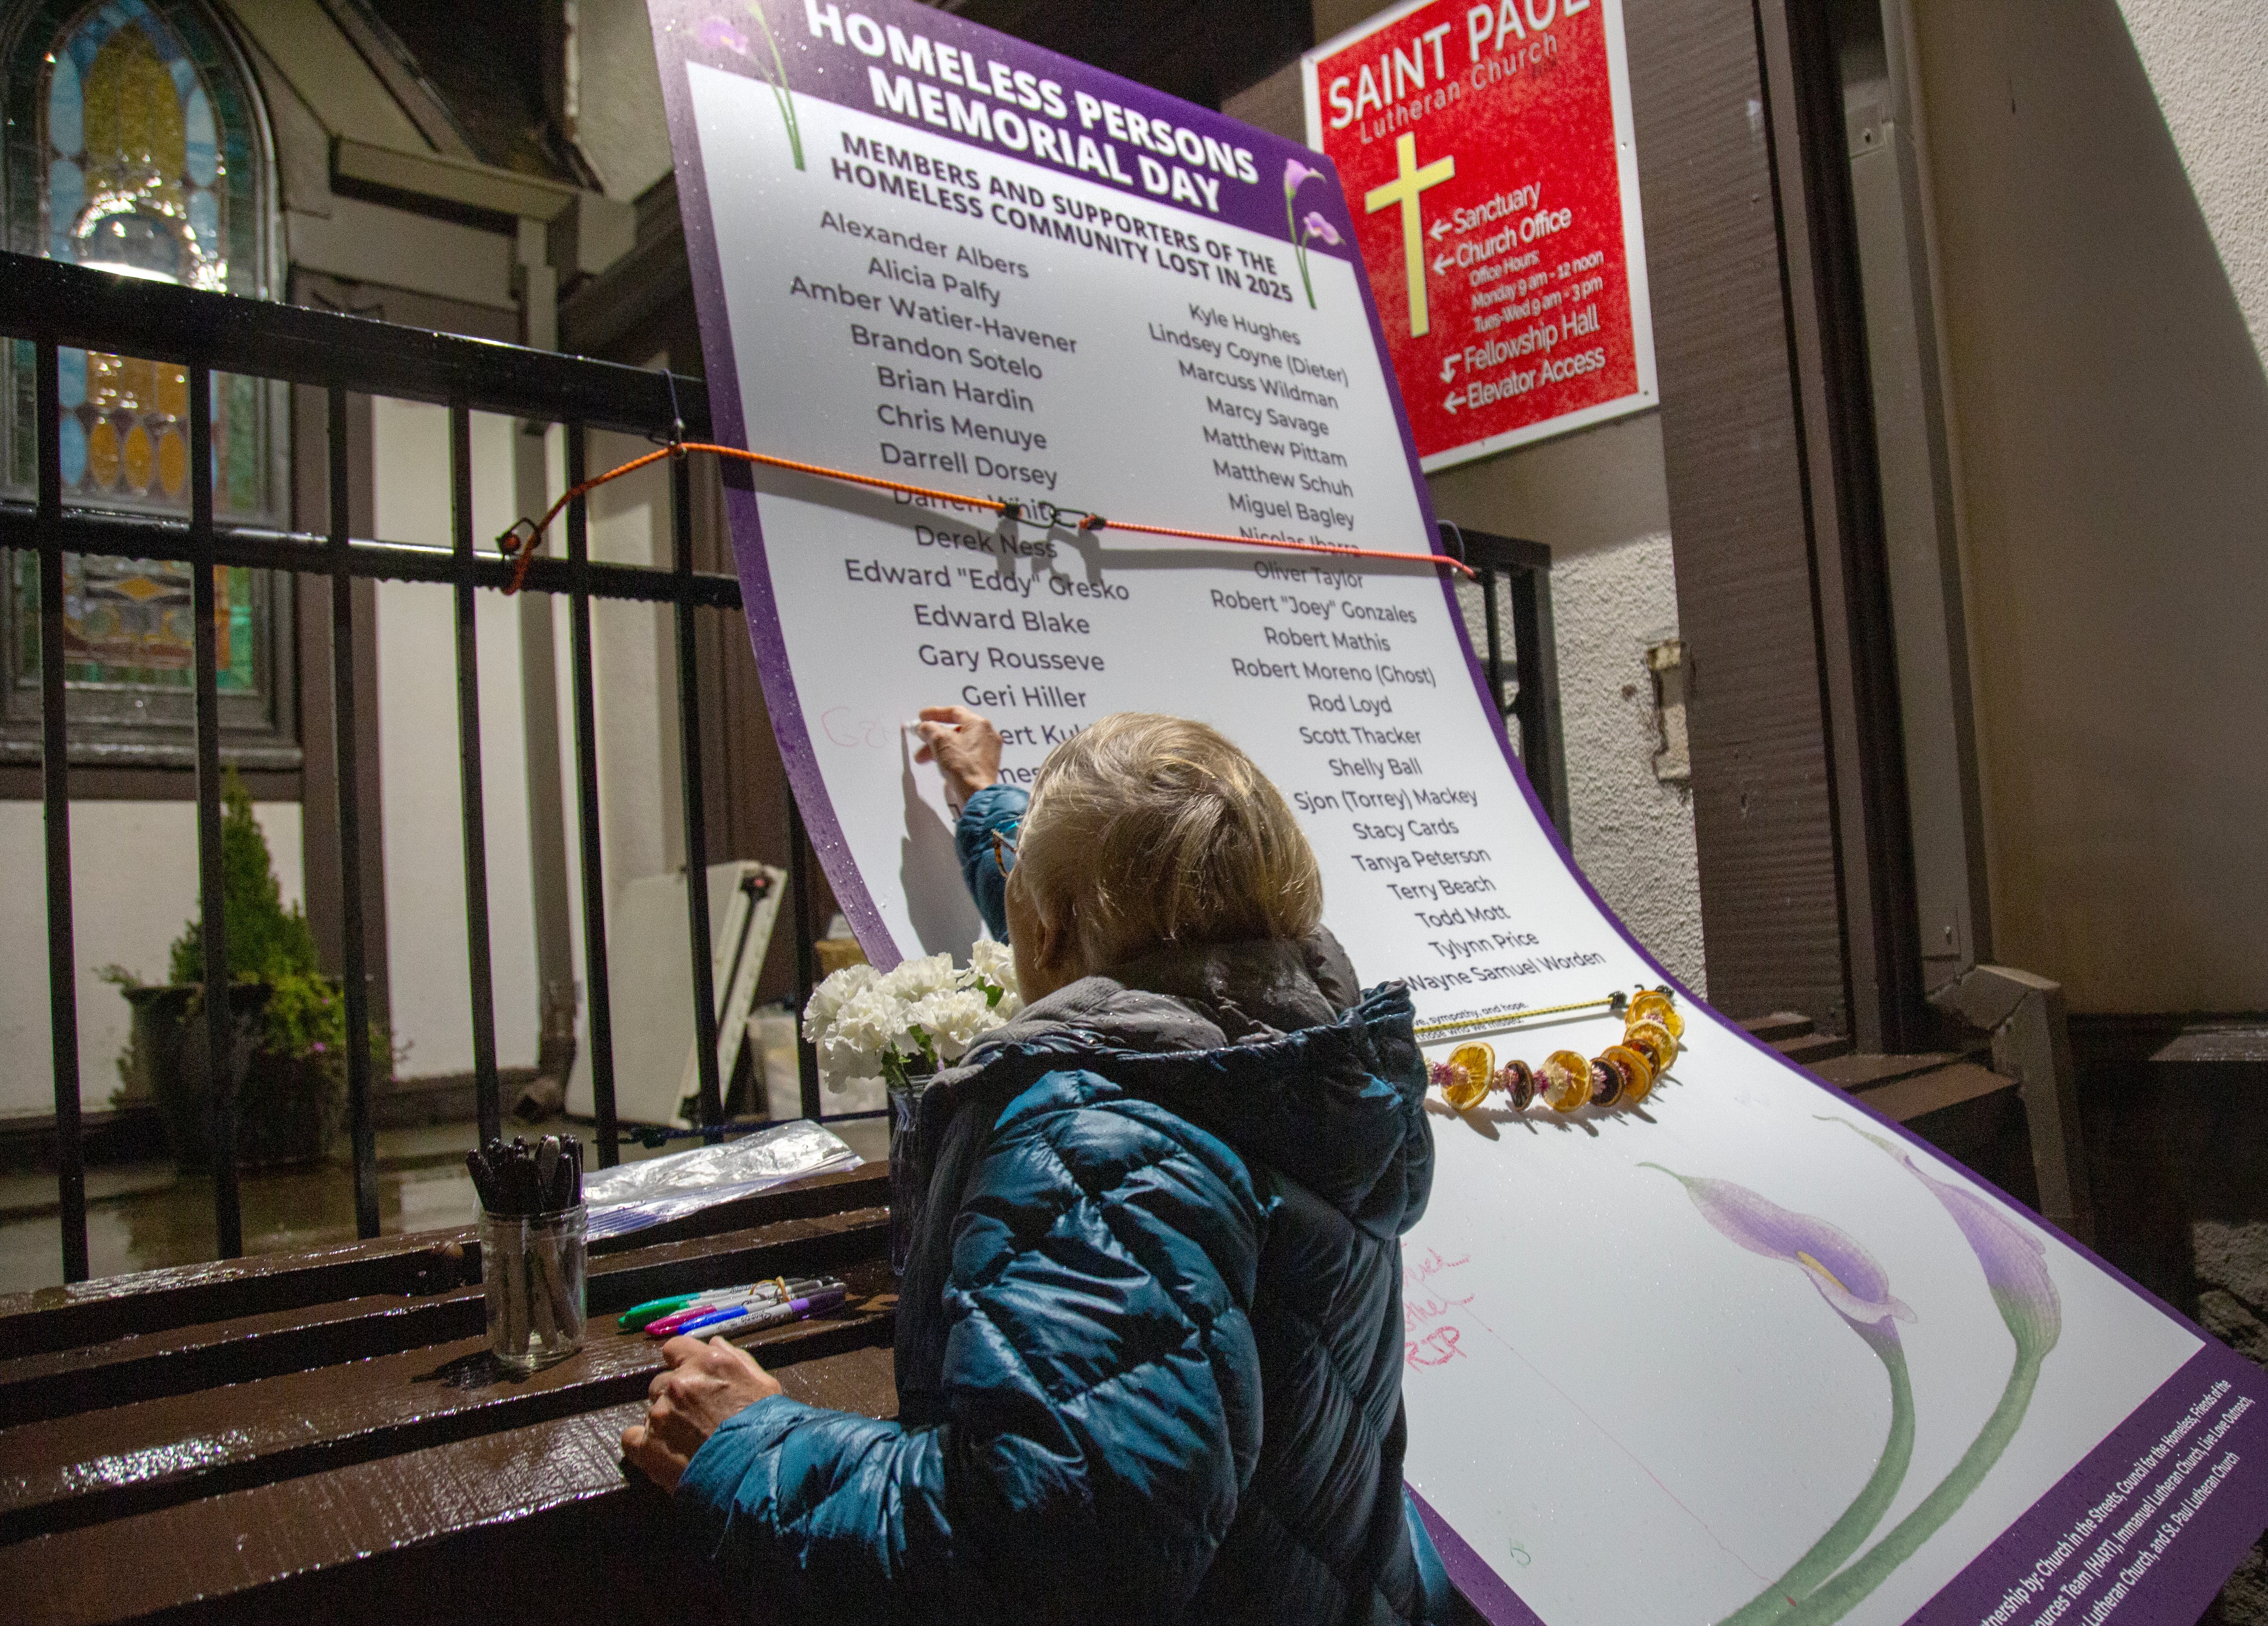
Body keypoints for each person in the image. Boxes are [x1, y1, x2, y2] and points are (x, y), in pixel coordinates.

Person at [622, 708, 1451, 1625]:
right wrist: (985, 800)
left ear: (1048, 927)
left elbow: (1057, 1541)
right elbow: (1129, 908)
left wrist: (751, 1446)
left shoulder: (1099, 1138)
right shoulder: (1304, 1052)